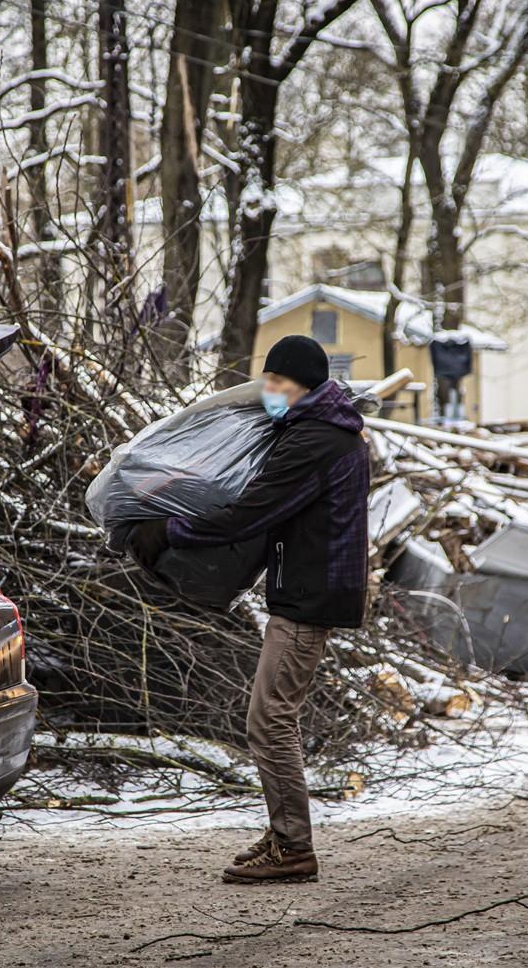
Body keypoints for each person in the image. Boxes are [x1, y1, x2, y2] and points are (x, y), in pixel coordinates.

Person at [129, 334, 369, 883]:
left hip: (307, 600)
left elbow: (249, 513)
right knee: (272, 718)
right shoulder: (323, 433)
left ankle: (292, 846)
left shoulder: (316, 442)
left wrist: (170, 530)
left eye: (278, 382)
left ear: (304, 385)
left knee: (270, 721)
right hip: (308, 591)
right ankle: (285, 833)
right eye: (268, 380)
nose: (268, 391)